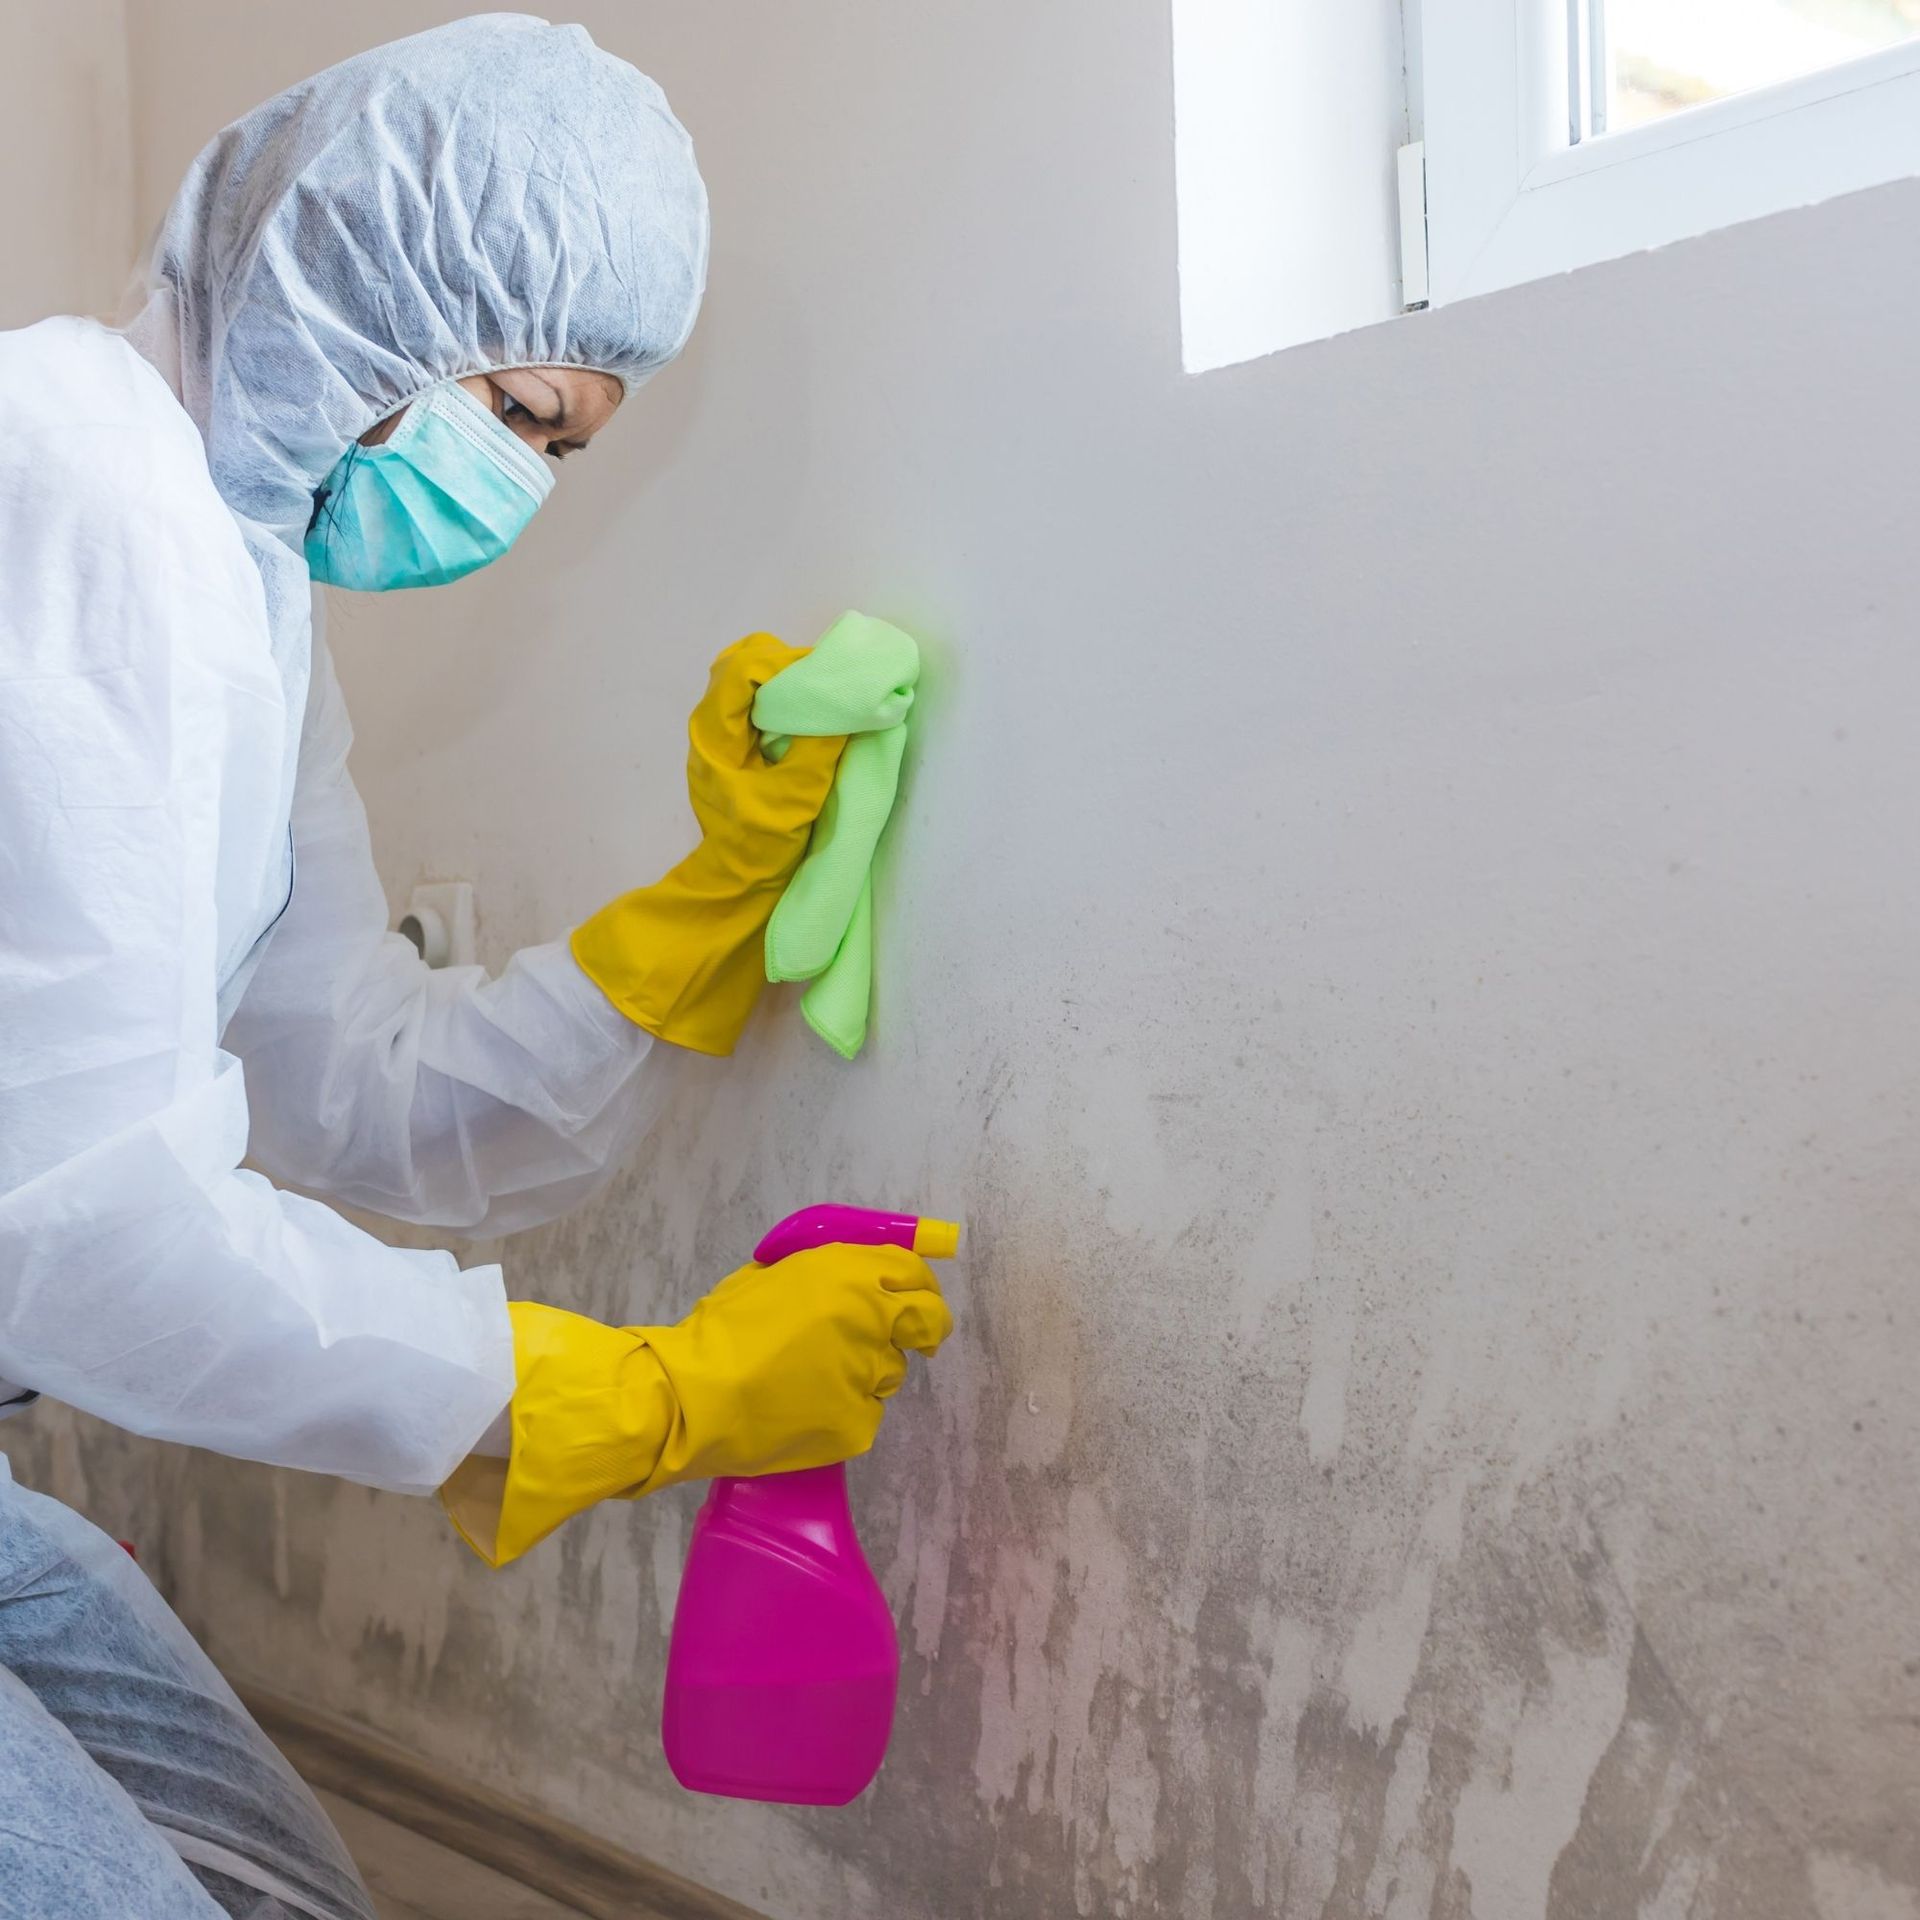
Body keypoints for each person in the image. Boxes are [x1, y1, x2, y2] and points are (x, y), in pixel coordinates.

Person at [0, 17, 951, 1917]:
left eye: (561, 456)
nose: (516, 493)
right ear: (364, 275)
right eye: (518, 416)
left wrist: (709, 910)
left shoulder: (246, 585)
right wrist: (646, 1396)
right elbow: (80, 1227)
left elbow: (352, 1080)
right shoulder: (75, 481)